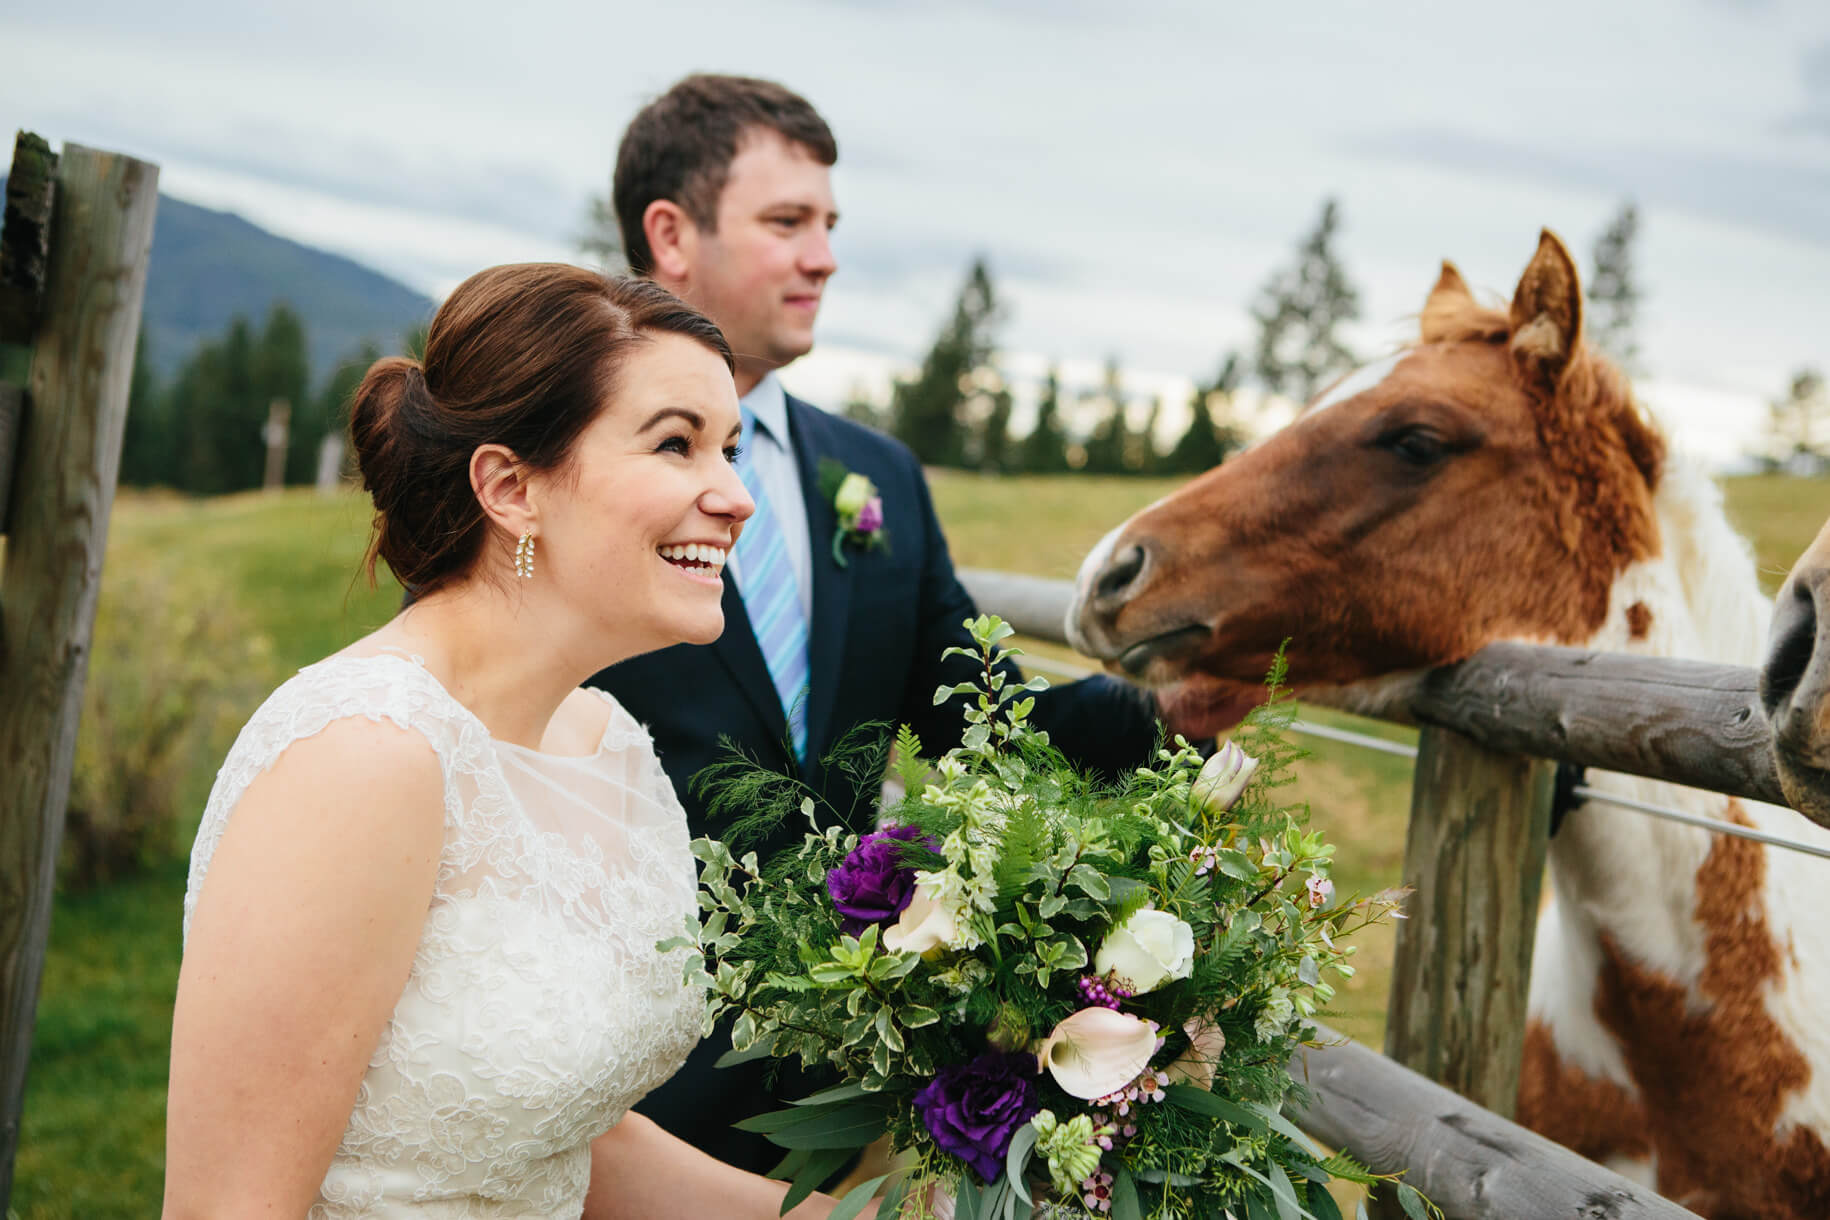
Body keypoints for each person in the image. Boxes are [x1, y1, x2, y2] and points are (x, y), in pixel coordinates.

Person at [165, 265, 870, 1219]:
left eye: (731, 450)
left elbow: (545, 1131)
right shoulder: (365, 756)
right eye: (677, 445)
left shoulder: (606, 743)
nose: (735, 496)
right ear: (511, 488)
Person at [591, 73, 1164, 1175]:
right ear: (671, 233)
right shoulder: (573, 457)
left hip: (836, 1092)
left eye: (831, 226)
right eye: (788, 222)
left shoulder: (877, 477)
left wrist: (1166, 707)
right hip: (616, 1071)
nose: (824, 256)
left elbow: (976, 718)